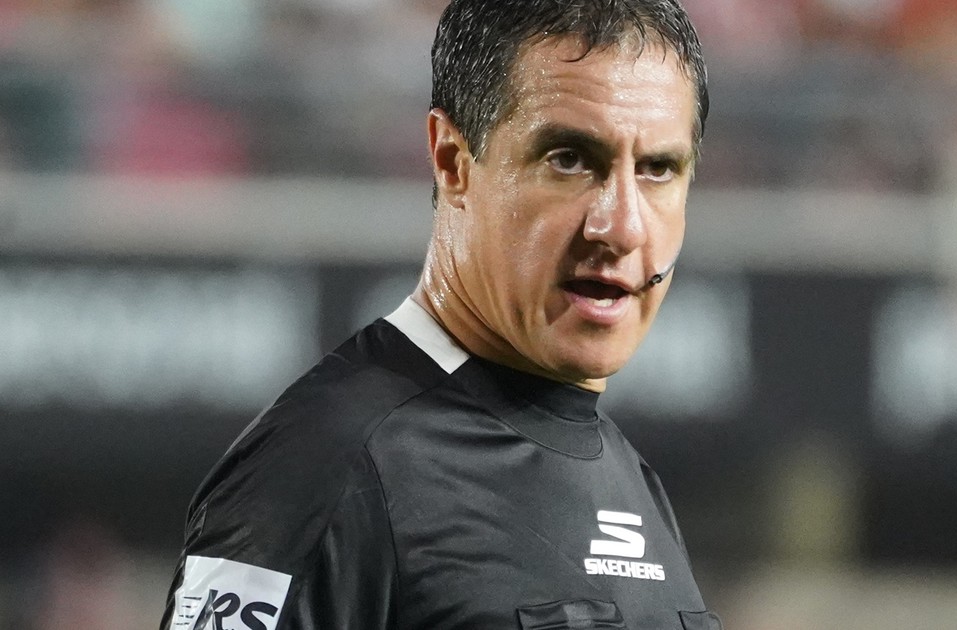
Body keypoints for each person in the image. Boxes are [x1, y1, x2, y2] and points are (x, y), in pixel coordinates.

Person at [159, 0, 718, 628]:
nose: (621, 227)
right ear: (452, 160)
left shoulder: (632, 481)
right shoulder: (326, 466)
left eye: (658, 169)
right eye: (568, 159)